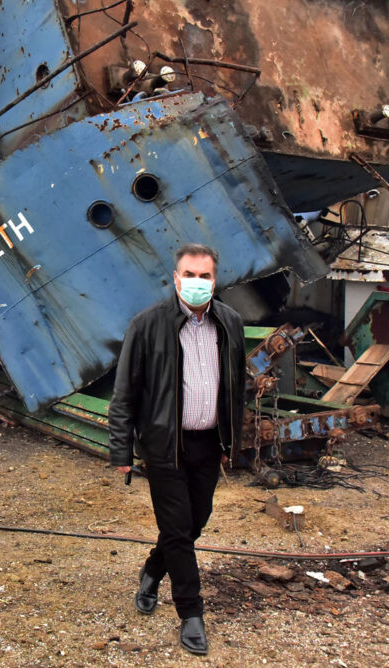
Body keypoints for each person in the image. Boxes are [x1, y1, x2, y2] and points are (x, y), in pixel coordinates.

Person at [109, 242, 245, 655]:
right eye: (189, 275)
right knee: (177, 530)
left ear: (215, 281)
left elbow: (235, 388)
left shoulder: (230, 323)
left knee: (192, 524)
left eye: (205, 276)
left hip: (209, 443)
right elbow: (124, 394)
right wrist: (121, 452)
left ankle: (153, 570)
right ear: (175, 278)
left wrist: (232, 441)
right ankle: (191, 614)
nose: (197, 282)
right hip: (165, 445)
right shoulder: (147, 325)